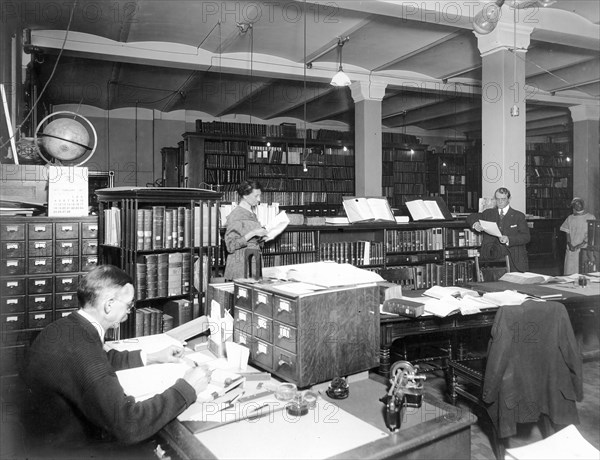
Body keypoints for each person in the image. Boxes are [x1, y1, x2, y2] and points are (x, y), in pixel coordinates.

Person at [22, 265, 211, 458]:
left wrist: (152, 357)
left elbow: (101, 359)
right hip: (67, 450)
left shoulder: (69, 328)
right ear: (109, 305)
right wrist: (187, 388)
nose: (129, 311)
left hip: (47, 437)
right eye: (128, 305)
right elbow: (129, 424)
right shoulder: (84, 350)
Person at [466, 187, 531, 273]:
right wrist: (475, 224)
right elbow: (471, 217)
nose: (500, 202)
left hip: (513, 260)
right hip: (491, 260)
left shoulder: (518, 216)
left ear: (509, 199)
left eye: (503, 199)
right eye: (497, 199)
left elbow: (526, 237)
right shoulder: (488, 213)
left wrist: (509, 239)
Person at [223, 180, 269, 280]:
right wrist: (253, 233)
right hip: (240, 267)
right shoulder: (236, 215)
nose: (259, 199)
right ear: (245, 195)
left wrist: (262, 238)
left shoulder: (251, 214)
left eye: (260, 196)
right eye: (256, 196)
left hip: (252, 263)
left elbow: (252, 241)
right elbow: (230, 246)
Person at [560, 197, 596, 275]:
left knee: (582, 271)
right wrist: (570, 245)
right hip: (571, 249)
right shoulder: (570, 218)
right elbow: (567, 232)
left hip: (584, 248)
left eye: (579, 203)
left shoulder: (590, 217)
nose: (578, 205)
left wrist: (579, 245)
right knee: (569, 272)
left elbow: (591, 234)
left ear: (583, 205)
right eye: (575, 204)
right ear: (573, 206)